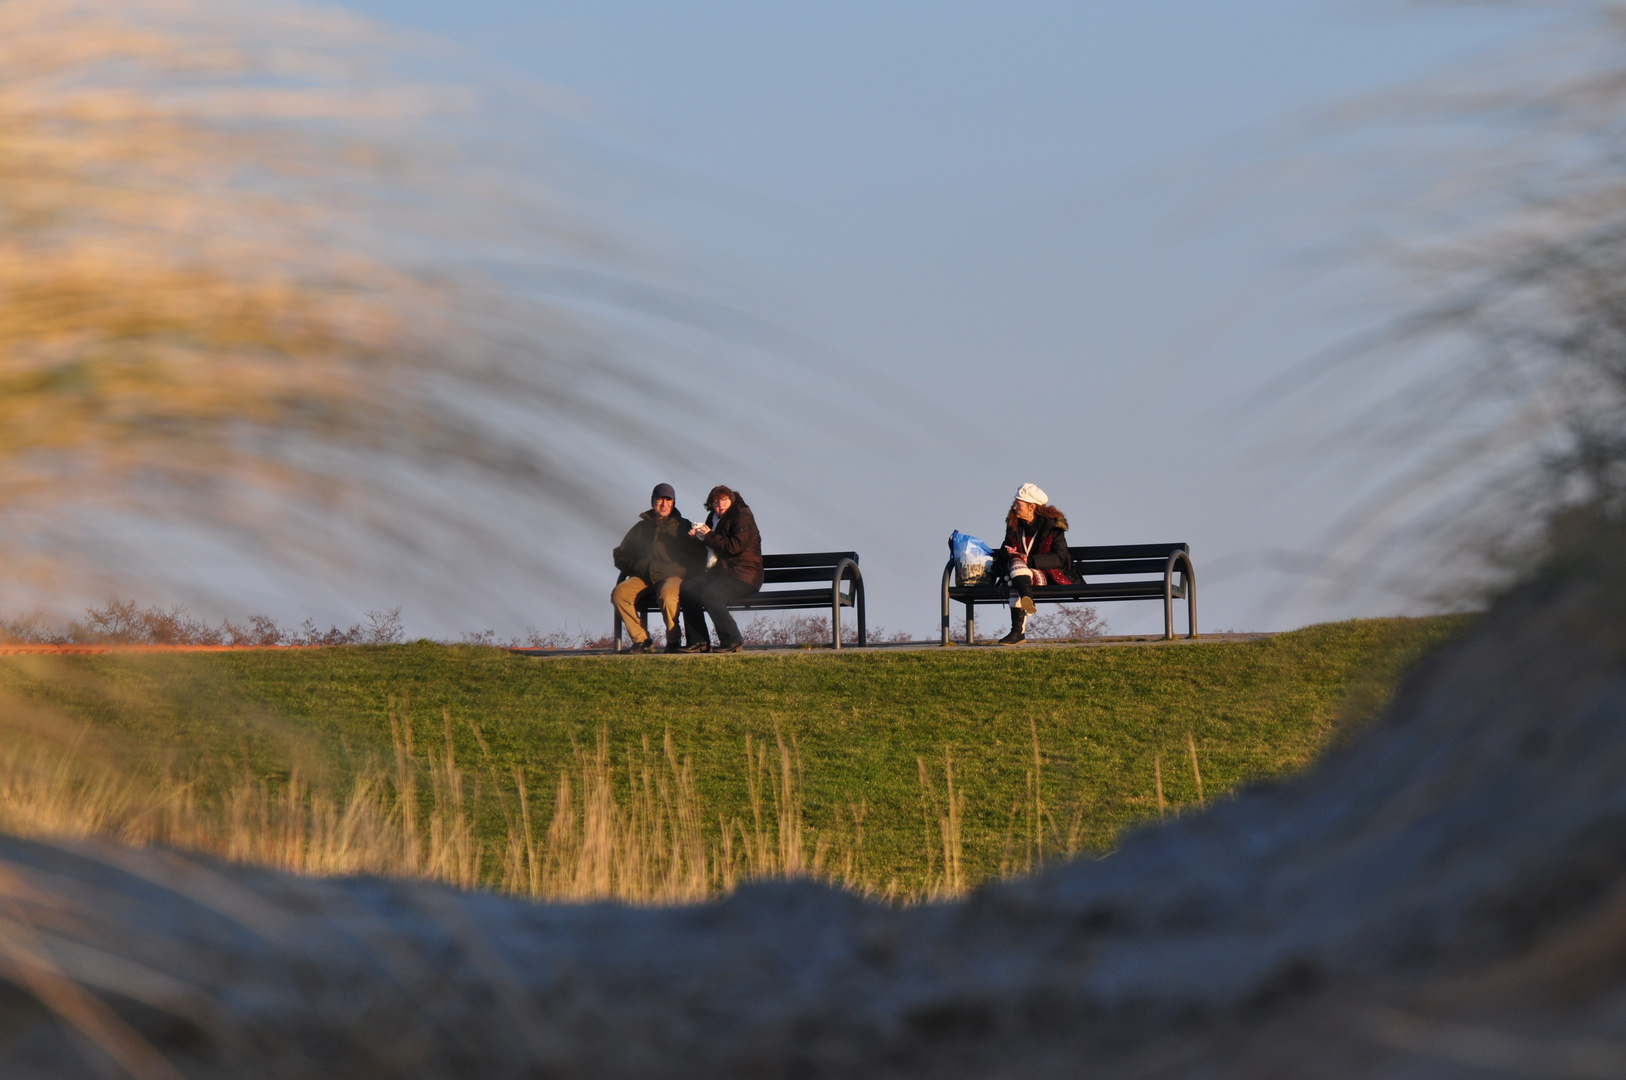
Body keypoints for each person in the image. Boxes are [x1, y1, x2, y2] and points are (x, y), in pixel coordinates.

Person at [612, 483, 707, 653]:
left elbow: (698, 556)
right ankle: (641, 640)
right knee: (619, 594)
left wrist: (682, 571)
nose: (664, 504)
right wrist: (637, 567)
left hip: (673, 577)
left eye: (668, 500)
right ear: (652, 501)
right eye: (660, 499)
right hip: (644, 576)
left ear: (673, 502)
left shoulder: (684, 527)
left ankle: (673, 641)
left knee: (667, 596)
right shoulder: (640, 528)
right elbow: (620, 554)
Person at [990, 482, 1074, 646]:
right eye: (1015, 503)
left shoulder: (1053, 527)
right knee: (1015, 565)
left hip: (1048, 574)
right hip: (1022, 576)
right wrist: (1007, 553)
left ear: (1032, 507)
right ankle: (1027, 598)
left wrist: (1030, 560)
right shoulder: (1014, 527)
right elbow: (1003, 552)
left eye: (1018, 504)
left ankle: (1017, 632)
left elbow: (1059, 558)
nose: (1014, 507)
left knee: (1014, 573)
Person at [681, 485, 763, 654]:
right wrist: (696, 538)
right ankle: (698, 641)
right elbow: (710, 547)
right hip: (722, 573)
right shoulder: (713, 517)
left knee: (711, 595)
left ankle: (732, 640)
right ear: (711, 505)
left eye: (724, 500)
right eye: (716, 502)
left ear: (731, 500)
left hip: (744, 575)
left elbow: (734, 547)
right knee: (688, 590)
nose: (721, 505)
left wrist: (708, 535)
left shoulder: (743, 516)